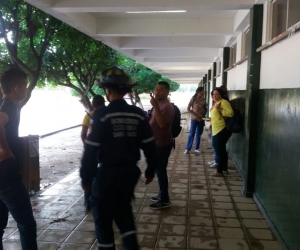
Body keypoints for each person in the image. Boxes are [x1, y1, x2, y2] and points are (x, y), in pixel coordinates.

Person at [80, 66, 157, 250]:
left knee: (103, 218)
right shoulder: (138, 114)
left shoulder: (102, 115)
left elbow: (90, 150)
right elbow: (150, 145)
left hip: (107, 175)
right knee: (123, 212)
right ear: (126, 90)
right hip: (129, 174)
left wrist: (86, 177)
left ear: (107, 90)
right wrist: (150, 170)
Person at [0, 68, 38, 250]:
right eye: (25, 86)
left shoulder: (6, 105)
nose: (27, 90)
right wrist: (5, 150)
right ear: (17, 88)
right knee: (27, 225)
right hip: (8, 176)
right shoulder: (8, 107)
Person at [148, 81, 174, 209]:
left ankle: (164, 200)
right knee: (159, 171)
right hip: (156, 143)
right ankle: (161, 194)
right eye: (156, 89)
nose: (157, 91)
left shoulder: (167, 106)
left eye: (161, 89)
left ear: (168, 92)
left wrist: (156, 107)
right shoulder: (158, 104)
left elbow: (162, 124)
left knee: (161, 171)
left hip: (162, 144)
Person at [81, 95, 105, 210]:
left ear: (93, 104)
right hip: (105, 150)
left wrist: (87, 147)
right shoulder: (107, 115)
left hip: (93, 149)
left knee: (90, 172)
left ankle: (88, 201)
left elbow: (83, 134)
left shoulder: (88, 115)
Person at [209, 87, 234, 176]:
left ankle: (219, 171)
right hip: (216, 129)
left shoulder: (223, 102)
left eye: (217, 94)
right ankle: (224, 169)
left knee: (219, 151)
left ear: (221, 95)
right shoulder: (216, 103)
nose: (215, 96)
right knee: (222, 150)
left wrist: (220, 109)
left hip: (222, 129)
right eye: (213, 94)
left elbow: (230, 113)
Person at [184, 87, 207, 154]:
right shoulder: (193, 99)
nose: (204, 93)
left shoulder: (203, 99)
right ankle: (188, 148)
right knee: (192, 133)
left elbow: (204, 108)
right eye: (203, 91)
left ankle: (196, 148)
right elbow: (188, 109)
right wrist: (196, 115)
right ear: (199, 92)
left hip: (201, 119)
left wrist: (204, 113)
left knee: (199, 133)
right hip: (194, 118)